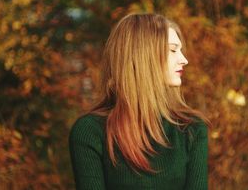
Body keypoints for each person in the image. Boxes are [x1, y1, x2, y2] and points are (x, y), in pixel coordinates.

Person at [69, 13, 209, 190]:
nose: (184, 60)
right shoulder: (90, 132)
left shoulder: (191, 129)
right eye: (173, 50)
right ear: (144, 55)